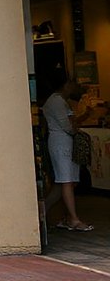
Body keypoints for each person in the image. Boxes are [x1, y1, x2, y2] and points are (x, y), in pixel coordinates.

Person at [43, 76, 93, 231]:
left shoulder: (60, 101)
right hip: (61, 144)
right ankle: (73, 219)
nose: (74, 86)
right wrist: (76, 129)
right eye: (72, 83)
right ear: (65, 84)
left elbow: (70, 123)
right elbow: (68, 126)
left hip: (64, 144)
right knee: (66, 181)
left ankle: (41, 211)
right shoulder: (57, 101)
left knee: (63, 182)